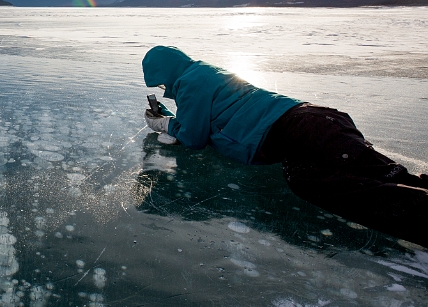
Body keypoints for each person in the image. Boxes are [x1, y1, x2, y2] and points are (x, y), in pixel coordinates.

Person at [141, 45, 428, 248]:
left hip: (294, 131)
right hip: (318, 118)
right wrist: (175, 120)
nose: (165, 89)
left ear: (168, 73)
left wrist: (166, 124)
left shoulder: (191, 83)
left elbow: (193, 137)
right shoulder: (204, 72)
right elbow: (205, 117)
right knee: (388, 175)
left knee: (310, 180)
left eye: (162, 83)